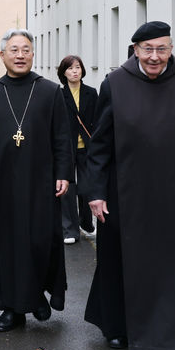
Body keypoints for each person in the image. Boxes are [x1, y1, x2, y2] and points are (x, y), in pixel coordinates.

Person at [83, 21, 175, 350]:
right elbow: (99, 145)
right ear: (135, 49)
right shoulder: (115, 84)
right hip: (129, 191)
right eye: (148, 49)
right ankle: (121, 327)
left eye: (162, 49)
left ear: (171, 48)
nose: (155, 56)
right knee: (131, 263)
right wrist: (95, 193)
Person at [0, 28, 73, 332]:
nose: (20, 55)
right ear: (2, 55)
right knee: (7, 246)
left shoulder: (51, 91)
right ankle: (12, 309)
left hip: (41, 180)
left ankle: (37, 295)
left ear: (33, 54)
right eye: (14, 50)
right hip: (3, 181)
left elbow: (62, 138)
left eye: (25, 49)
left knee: (39, 240)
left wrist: (64, 173)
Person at [57, 55, 98, 244]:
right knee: (67, 190)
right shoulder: (58, 94)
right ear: (63, 72)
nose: (75, 71)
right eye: (70, 68)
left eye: (78, 67)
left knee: (86, 188)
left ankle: (85, 221)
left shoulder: (91, 93)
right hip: (66, 149)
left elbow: (98, 120)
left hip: (87, 148)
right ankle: (69, 230)